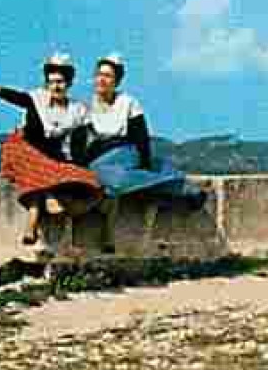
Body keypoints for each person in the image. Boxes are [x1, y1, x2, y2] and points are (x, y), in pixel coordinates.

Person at [82, 53, 206, 251]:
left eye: (107, 76)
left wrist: (144, 161)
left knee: (132, 178)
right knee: (113, 182)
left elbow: (141, 136)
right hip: (101, 159)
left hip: (126, 151)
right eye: (99, 75)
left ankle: (180, 190)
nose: (101, 80)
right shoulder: (85, 106)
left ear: (117, 81)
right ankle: (110, 235)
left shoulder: (128, 102)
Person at [0, 53, 101, 246]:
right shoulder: (37, 99)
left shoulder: (78, 110)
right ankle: (35, 216)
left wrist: (79, 164)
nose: (56, 86)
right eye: (52, 82)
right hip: (24, 146)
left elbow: (81, 140)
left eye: (60, 82)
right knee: (35, 166)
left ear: (69, 84)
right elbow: (18, 98)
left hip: (51, 153)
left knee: (81, 177)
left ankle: (40, 208)